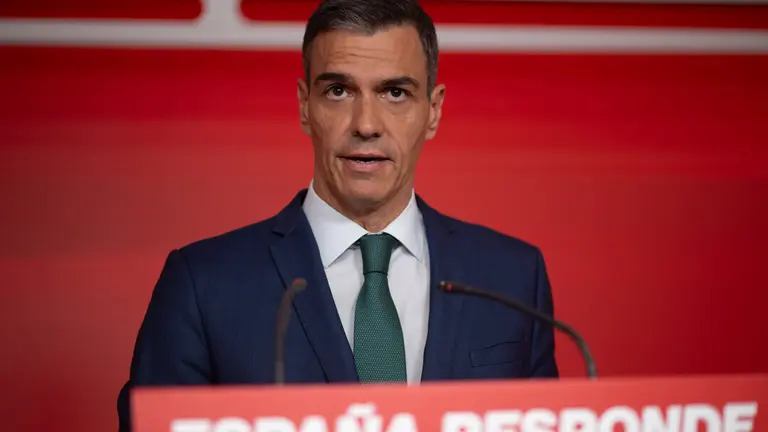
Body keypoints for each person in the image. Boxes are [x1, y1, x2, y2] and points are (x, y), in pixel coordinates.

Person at [117, 0, 558, 429]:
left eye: (395, 93)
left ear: (434, 110)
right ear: (305, 105)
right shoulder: (203, 285)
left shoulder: (512, 277)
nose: (366, 123)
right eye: (339, 90)